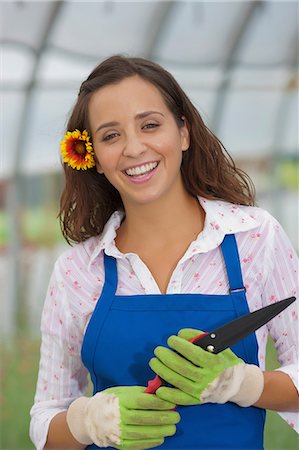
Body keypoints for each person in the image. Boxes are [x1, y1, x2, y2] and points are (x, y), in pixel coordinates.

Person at [30, 55, 299, 450]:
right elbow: (46, 419)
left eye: (150, 125)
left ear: (183, 133)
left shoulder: (255, 238)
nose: (134, 148)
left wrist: (243, 383)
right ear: (95, 160)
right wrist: (86, 421)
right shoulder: (77, 271)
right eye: (110, 136)